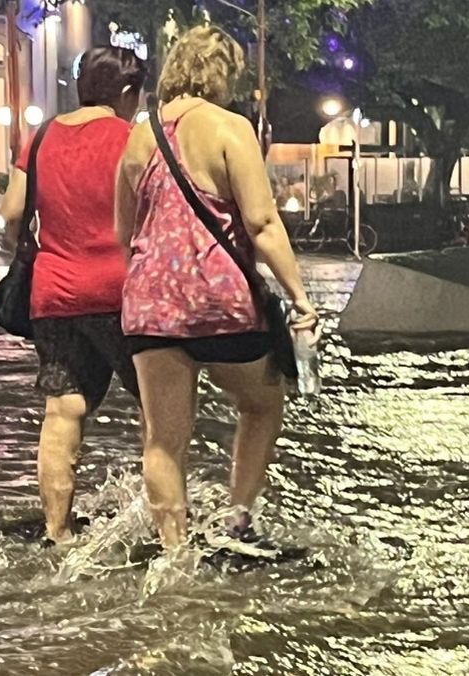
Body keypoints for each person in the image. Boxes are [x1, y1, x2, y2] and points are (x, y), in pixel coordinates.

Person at [115, 25, 319, 548]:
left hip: (151, 307)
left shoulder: (141, 135)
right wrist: (299, 298)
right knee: (262, 403)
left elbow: (123, 231)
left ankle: (174, 552)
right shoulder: (231, 130)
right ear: (223, 73)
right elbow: (263, 225)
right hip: (221, 304)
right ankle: (237, 517)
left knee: (163, 440)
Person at [0, 46, 148, 546]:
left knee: (62, 410)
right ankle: (168, 524)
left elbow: (13, 211)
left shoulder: (40, 139)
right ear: (127, 94)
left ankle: (56, 531)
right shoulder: (133, 140)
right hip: (120, 295)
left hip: (54, 296)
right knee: (159, 407)